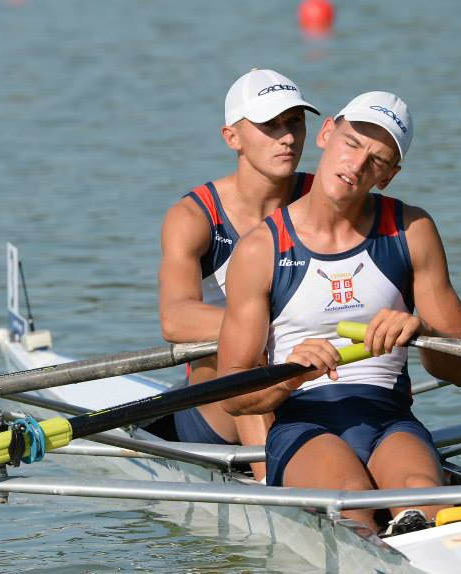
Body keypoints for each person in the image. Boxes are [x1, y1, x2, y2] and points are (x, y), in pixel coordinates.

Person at [216, 91, 461, 533]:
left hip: (389, 419)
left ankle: (426, 531)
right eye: (351, 143)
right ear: (326, 133)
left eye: (376, 160)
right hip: (302, 423)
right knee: (352, 501)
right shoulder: (261, 248)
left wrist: (422, 332)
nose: (356, 166)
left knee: (422, 493)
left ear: (389, 176)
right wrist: (291, 375)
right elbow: (234, 395)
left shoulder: (412, 230)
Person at [157, 69, 319, 481]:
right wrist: (272, 327)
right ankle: (271, 482)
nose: (287, 137)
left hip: (307, 378)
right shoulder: (194, 216)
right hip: (218, 409)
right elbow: (174, 318)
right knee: (245, 348)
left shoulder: (324, 200)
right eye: (270, 125)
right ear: (232, 137)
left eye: (295, 122)